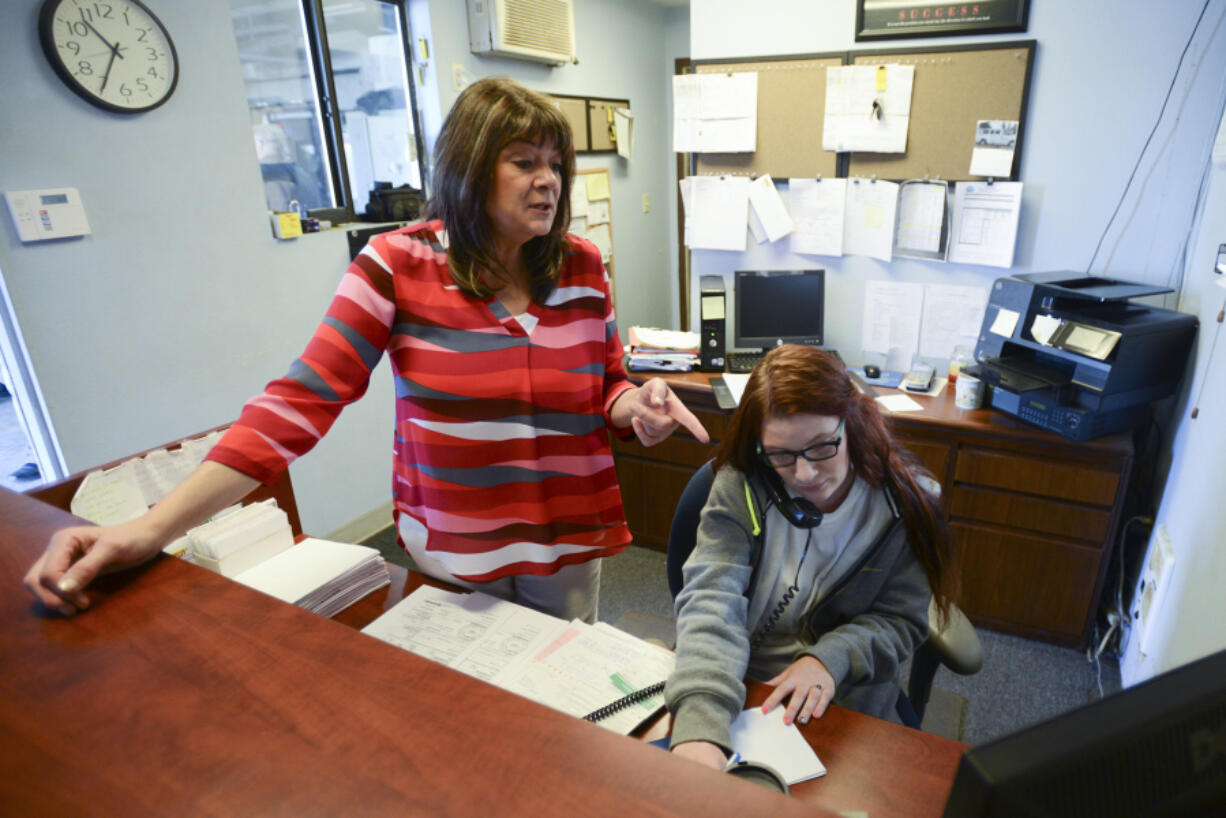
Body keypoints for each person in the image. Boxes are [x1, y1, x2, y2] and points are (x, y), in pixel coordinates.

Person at [24, 76, 707, 622]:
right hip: (453, 541)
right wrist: (150, 528)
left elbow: (606, 384)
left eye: (556, 164)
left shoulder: (582, 265)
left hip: (565, 536)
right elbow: (299, 401)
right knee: (466, 710)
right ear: (469, 170)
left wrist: (634, 405)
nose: (549, 180)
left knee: (566, 709)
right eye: (524, 161)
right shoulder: (396, 265)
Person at [664, 345, 957, 771]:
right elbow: (712, 600)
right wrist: (701, 728)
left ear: (851, 423)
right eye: (781, 454)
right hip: (738, 684)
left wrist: (829, 657)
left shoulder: (905, 505)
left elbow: (900, 620)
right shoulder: (741, 487)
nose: (805, 475)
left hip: (844, 700)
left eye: (822, 447)